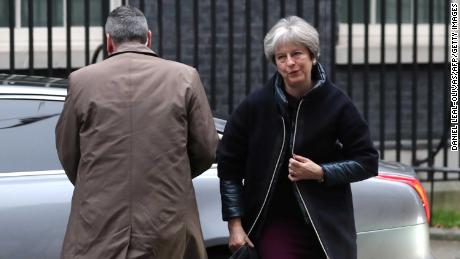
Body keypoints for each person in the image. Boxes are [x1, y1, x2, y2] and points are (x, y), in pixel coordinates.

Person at [55, 6, 218, 259]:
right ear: (148, 37)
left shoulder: (81, 80)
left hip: (99, 220)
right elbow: (207, 148)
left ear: (109, 42)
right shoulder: (185, 77)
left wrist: (97, 183)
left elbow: (68, 151)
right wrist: (172, 173)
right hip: (166, 218)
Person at [217, 16, 378, 259]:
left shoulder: (337, 104)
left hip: (326, 221)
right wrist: (235, 225)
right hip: (273, 220)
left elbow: (367, 161)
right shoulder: (256, 107)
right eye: (282, 57)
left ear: (313, 56)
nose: (290, 63)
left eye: (297, 54)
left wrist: (321, 172)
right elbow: (228, 166)